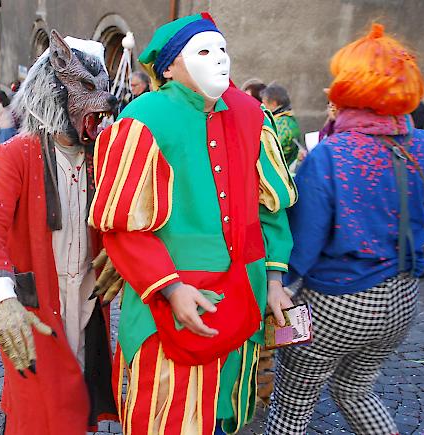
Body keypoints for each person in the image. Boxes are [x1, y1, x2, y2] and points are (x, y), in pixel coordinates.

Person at [90, 12, 296, 434]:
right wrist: (169, 286)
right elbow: (124, 226)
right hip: (172, 301)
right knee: (166, 415)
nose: (220, 60)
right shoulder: (143, 118)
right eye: (204, 51)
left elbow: (270, 210)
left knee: (225, 414)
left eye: (223, 50)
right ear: (169, 68)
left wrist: (274, 280)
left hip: (243, 297)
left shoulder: (252, 115)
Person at [267, 23, 424, 435]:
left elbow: (303, 243)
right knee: (355, 391)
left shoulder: (332, 154)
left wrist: (277, 286)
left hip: (337, 301)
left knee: (292, 405)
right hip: (402, 299)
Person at [0, 31, 119, 434]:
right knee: (42, 408)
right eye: (87, 89)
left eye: (103, 90)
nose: (103, 102)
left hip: (87, 305)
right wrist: (2, 301)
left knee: (76, 398)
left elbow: (121, 221)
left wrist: (122, 255)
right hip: (39, 309)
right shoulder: (16, 153)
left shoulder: (104, 156)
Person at [261, 83, 301, 168]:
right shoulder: (289, 119)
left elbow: (270, 151)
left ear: (274, 103)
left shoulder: (281, 124)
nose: (262, 107)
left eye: (264, 103)